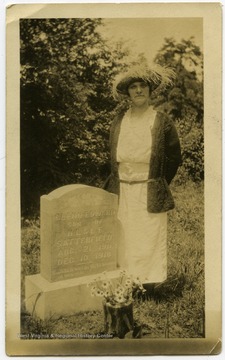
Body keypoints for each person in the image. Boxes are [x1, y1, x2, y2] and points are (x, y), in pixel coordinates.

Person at [105, 63, 182, 290]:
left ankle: (147, 286)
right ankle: (124, 282)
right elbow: (110, 157)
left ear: (150, 91)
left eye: (143, 86)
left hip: (148, 188)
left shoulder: (160, 120)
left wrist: (158, 181)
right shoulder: (119, 120)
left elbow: (174, 157)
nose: (138, 90)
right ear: (127, 93)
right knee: (124, 235)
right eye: (133, 87)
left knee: (148, 235)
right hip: (122, 188)